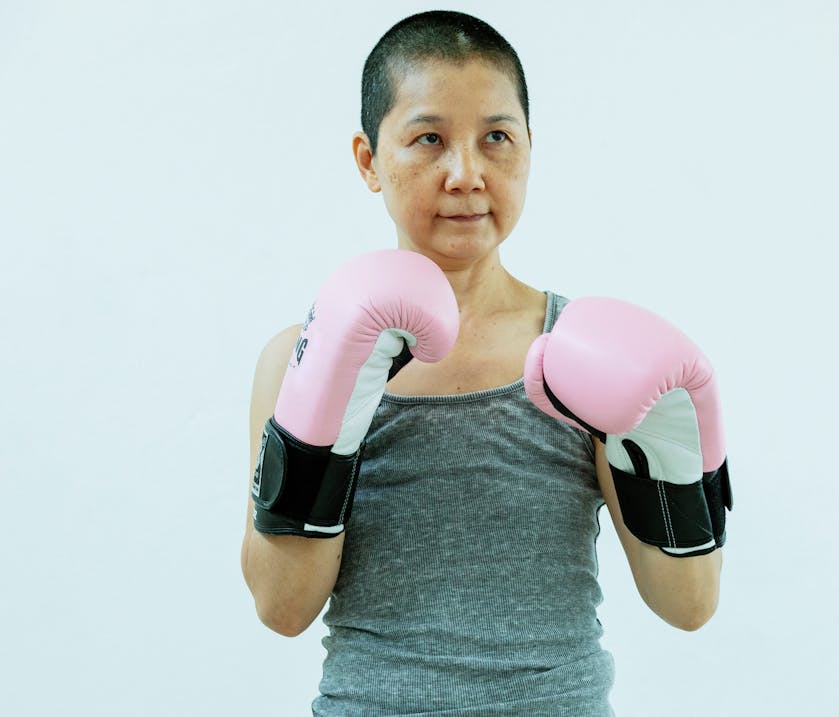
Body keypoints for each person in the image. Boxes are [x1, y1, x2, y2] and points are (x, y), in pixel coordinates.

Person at [240, 11, 732, 715]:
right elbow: (281, 607)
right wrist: (325, 418)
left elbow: (687, 605)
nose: (466, 174)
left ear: (529, 149)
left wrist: (671, 453)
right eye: (429, 139)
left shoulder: (583, 354)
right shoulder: (300, 355)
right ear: (368, 159)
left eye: (496, 138)